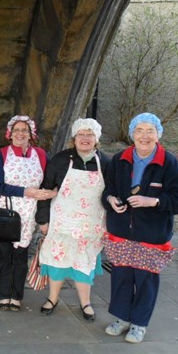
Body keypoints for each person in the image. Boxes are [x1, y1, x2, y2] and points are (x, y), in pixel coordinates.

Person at [102, 112, 178, 343]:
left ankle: (139, 324)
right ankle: (122, 319)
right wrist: (110, 200)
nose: (144, 136)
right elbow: (107, 190)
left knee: (145, 280)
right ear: (132, 133)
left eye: (149, 131)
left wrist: (153, 201)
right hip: (121, 232)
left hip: (151, 235)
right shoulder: (119, 159)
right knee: (121, 277)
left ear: (158, 134)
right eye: (139, 131)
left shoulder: (168, 162)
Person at [35, 118, 110, 321]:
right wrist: (43, 220)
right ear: (74, 138)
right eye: (81, 135)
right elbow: (45, 189)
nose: (85, 139)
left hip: (90, 226)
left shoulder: (105, 162)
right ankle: (52, 298)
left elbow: (111, 194)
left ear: (96, 139)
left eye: (89, 135)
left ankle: (85, 303)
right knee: (58, 263)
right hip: (61, 224)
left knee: (84, 264)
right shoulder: (60, 160)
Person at [0, 116, 55, 311]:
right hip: (6, 210)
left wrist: (52, 192)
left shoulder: (41, 155)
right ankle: (2, 294)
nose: (20, 134)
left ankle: (16, 295)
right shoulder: (2, 153)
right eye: (16, 130)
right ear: (10, 133)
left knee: (20, 255)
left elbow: (49, 181)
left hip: (28, 213)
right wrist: (26, 192)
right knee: (3, 254)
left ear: (31, 134)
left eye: (24, 130)